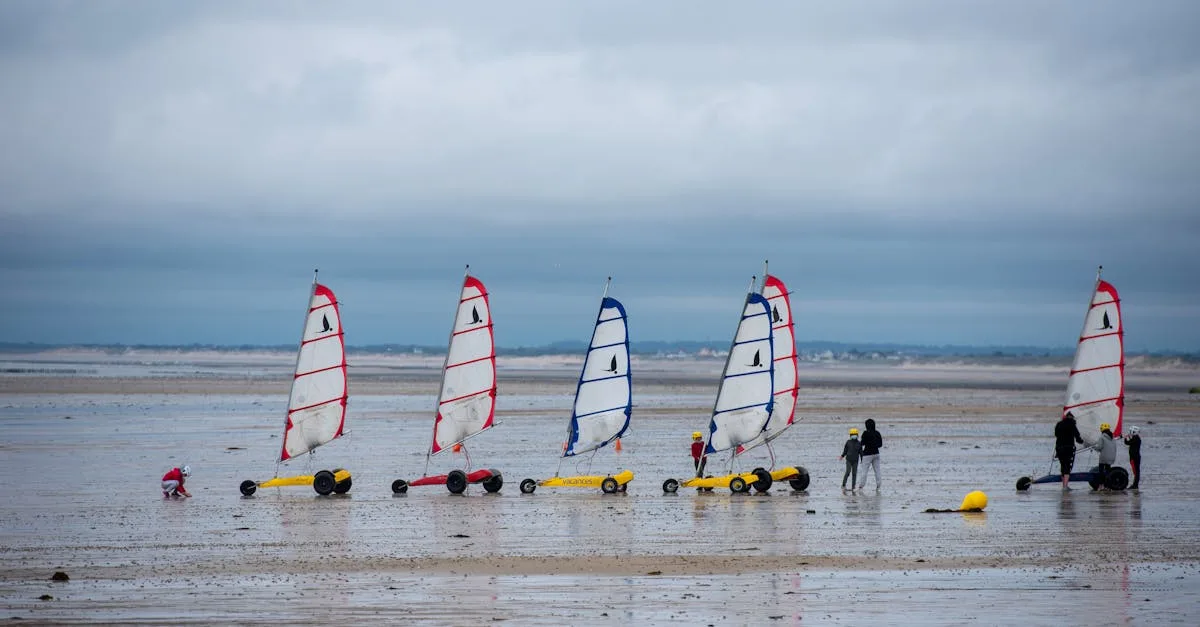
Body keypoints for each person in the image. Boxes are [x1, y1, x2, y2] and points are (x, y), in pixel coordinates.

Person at [1054, 411, 1085, 490]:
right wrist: (1082, 441)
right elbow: (1077, 436)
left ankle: (1063, 485)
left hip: (1059, 448)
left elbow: (1056, 434)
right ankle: (1065, 486)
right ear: (1072, 417)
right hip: (1068, 448)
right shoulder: (1072, 424)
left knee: (1062, 465)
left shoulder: (1059, 424)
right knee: (1067, 466)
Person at [857, 418, 883, 490]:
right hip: (876, 453)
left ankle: (861, 486)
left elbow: (862, 443)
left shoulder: (865, 433)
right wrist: (874, 445)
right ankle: (878, 485)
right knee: (877, 470)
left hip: (867, 454)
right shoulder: (877, 433)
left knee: (864, 471)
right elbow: (880, 444)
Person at [1092, 423, 1116, 490]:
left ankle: (1101, 485)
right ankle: (1108, 486)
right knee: (1108, 471)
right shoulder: (1113, 437)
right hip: (1112, 457)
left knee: (1101, 471)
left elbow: (1099, 447)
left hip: (1104, 458)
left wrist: (1093, 447)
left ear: (1102, 429)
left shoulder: (1102, 437)